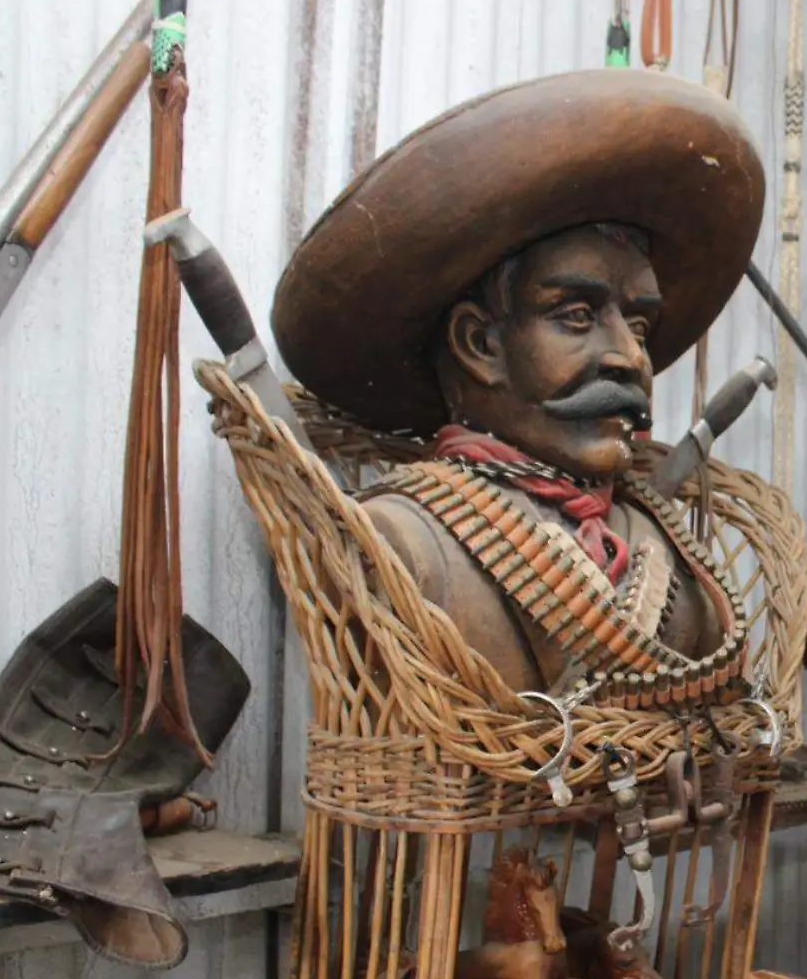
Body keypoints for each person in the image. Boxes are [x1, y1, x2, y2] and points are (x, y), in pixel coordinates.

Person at [269, 69, 768, 698]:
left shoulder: (671, 555)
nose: (630, 359)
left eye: (639, 325)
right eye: (577, 316)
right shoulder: (404, 547)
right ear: (480, 345)